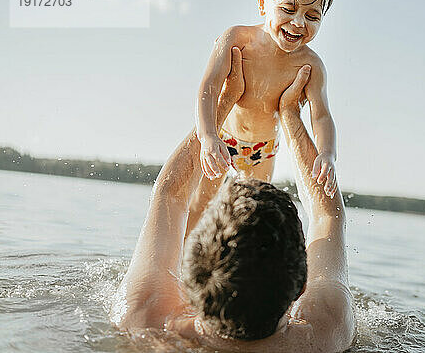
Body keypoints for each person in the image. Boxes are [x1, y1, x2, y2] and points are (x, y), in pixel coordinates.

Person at [110, 53, 355, 352]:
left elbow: (169, 195)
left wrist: (225, 101)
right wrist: (290, 114)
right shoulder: (327, 332)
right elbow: (327, 216)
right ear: (301, 287)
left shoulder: (143, 319)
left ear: (188, 273)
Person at [192, 0, 338, 235]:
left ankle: (239, 264)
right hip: (222, 138)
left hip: (262, 150)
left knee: (254, 210)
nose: (298, 23)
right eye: (288, 8)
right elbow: (208, 88)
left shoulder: (311, 65)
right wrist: (208, 135)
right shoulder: (236, 39)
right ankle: (183, 265)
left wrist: (327, 154)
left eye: (312, 16)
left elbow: (321, 115)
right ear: (262, 3)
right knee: (201, 202)